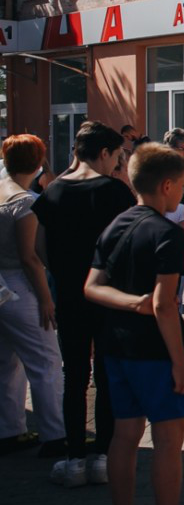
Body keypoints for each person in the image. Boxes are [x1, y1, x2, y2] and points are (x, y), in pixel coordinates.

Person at [85, 143, 184, 505]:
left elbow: (91, 286)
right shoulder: (166, 232)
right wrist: (182, 364)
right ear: (166, 185)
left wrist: (129, 303)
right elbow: (164, 306)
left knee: (123, 437)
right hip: (153, 353)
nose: (183, 193)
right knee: (167, 441)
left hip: (114, 347)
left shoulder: (116, 224)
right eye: (182, 185)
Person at [33, 120, 135, 485]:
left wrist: (62, 271)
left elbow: (39, 248)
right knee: (107, 375)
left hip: (68, 295)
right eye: (118, 156)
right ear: (104, 153)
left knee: (74, 374)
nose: (118, 164)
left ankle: (74, 455)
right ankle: (103, 456)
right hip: (107, 294)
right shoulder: (115, 192)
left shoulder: (52, 192)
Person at [0, 135, 66, 457]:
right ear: (39, 162)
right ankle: (55, 435)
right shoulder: (24, 201)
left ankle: (9, 429)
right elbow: (29, 257)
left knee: (6, 362)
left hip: (2, 285)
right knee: (46, 361)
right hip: (19, 284)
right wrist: (45, 298)